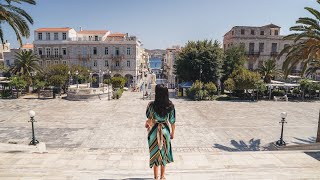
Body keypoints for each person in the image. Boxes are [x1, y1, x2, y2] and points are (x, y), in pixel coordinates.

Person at [145, 84, 176, 180]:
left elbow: (149, 120)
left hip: (154, 132)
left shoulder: (151, 105)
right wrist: (172, 133)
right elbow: (172, 122)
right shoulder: (170, 106)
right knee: (164, 153)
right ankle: (162, 176)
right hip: (165, 131)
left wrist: (147, 125)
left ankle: (155, 177)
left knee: (155, 153)